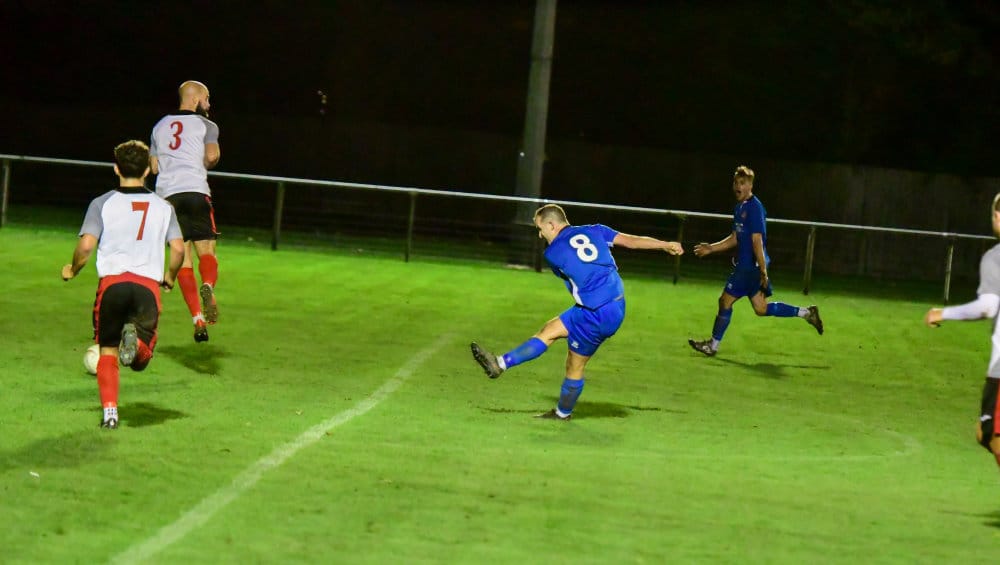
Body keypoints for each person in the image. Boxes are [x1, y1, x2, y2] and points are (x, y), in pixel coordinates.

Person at [470, 203, 684, 420]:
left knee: (575, 364)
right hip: (614, 303)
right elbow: (631, 241)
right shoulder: (595, 230)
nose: (540, 234)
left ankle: (562, 413)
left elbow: (570, 276)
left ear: (551, 225)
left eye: (540, 228)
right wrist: (664, 245)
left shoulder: (552, 253)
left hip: (596, 313)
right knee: (550, 330)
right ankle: (500, 363)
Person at [62, 140, 184, 429]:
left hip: (112, 286)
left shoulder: (102, 203)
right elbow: (178, 249)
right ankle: (137, 345)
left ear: (116, 169)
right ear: (147, 171)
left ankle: (110, 414)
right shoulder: (164, 207)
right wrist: (170, 277)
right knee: (142, 360)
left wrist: (73, 269)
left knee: (107, 350)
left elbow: (86, 246)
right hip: (147, 287)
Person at [687, 165, 823, 356]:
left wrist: (763, 271)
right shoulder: (739, 208)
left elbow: (757, 240)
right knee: (761, 308)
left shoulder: (755, 207)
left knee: (725, 301)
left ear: (750, 185)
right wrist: (711, 248)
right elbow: (735, 238)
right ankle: (807, 313)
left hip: (749, 268)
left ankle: (713, 345)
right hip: (751, 268)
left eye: (742, 183)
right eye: (736, 182)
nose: (737, 186)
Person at [924, 192, 1000, 472]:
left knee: (990, 434)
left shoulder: (996, 258)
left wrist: (943, 313)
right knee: (985, 432)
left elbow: (987, 307)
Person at [150, 80, 221, 343]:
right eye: (207, 98)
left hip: (168, 198)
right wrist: (199, 162)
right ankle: (208, 286)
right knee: (207, 251)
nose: (208, 104)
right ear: (196, 99)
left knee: (183, 259)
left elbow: (154, 167)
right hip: (196, 191)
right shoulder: (207, 125)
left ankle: (197, 319)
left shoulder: (159, 126)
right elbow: (211, 156)